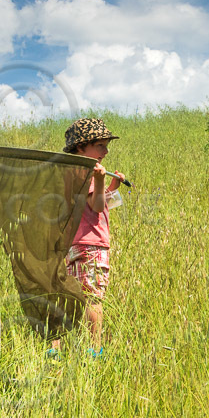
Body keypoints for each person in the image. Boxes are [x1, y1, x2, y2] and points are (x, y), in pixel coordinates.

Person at [60, 117, 125, 358]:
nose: (105, 151)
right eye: (100, 145)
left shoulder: (73, 172)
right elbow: (97, 207)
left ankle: (66, 349)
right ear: (81, 147)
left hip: (76, 244)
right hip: (92, 245)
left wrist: (111, 186)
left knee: (77, 298)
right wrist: (99, 180)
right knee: (93, 298)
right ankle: (93, 351)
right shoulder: (88, 172)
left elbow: (92, 203)